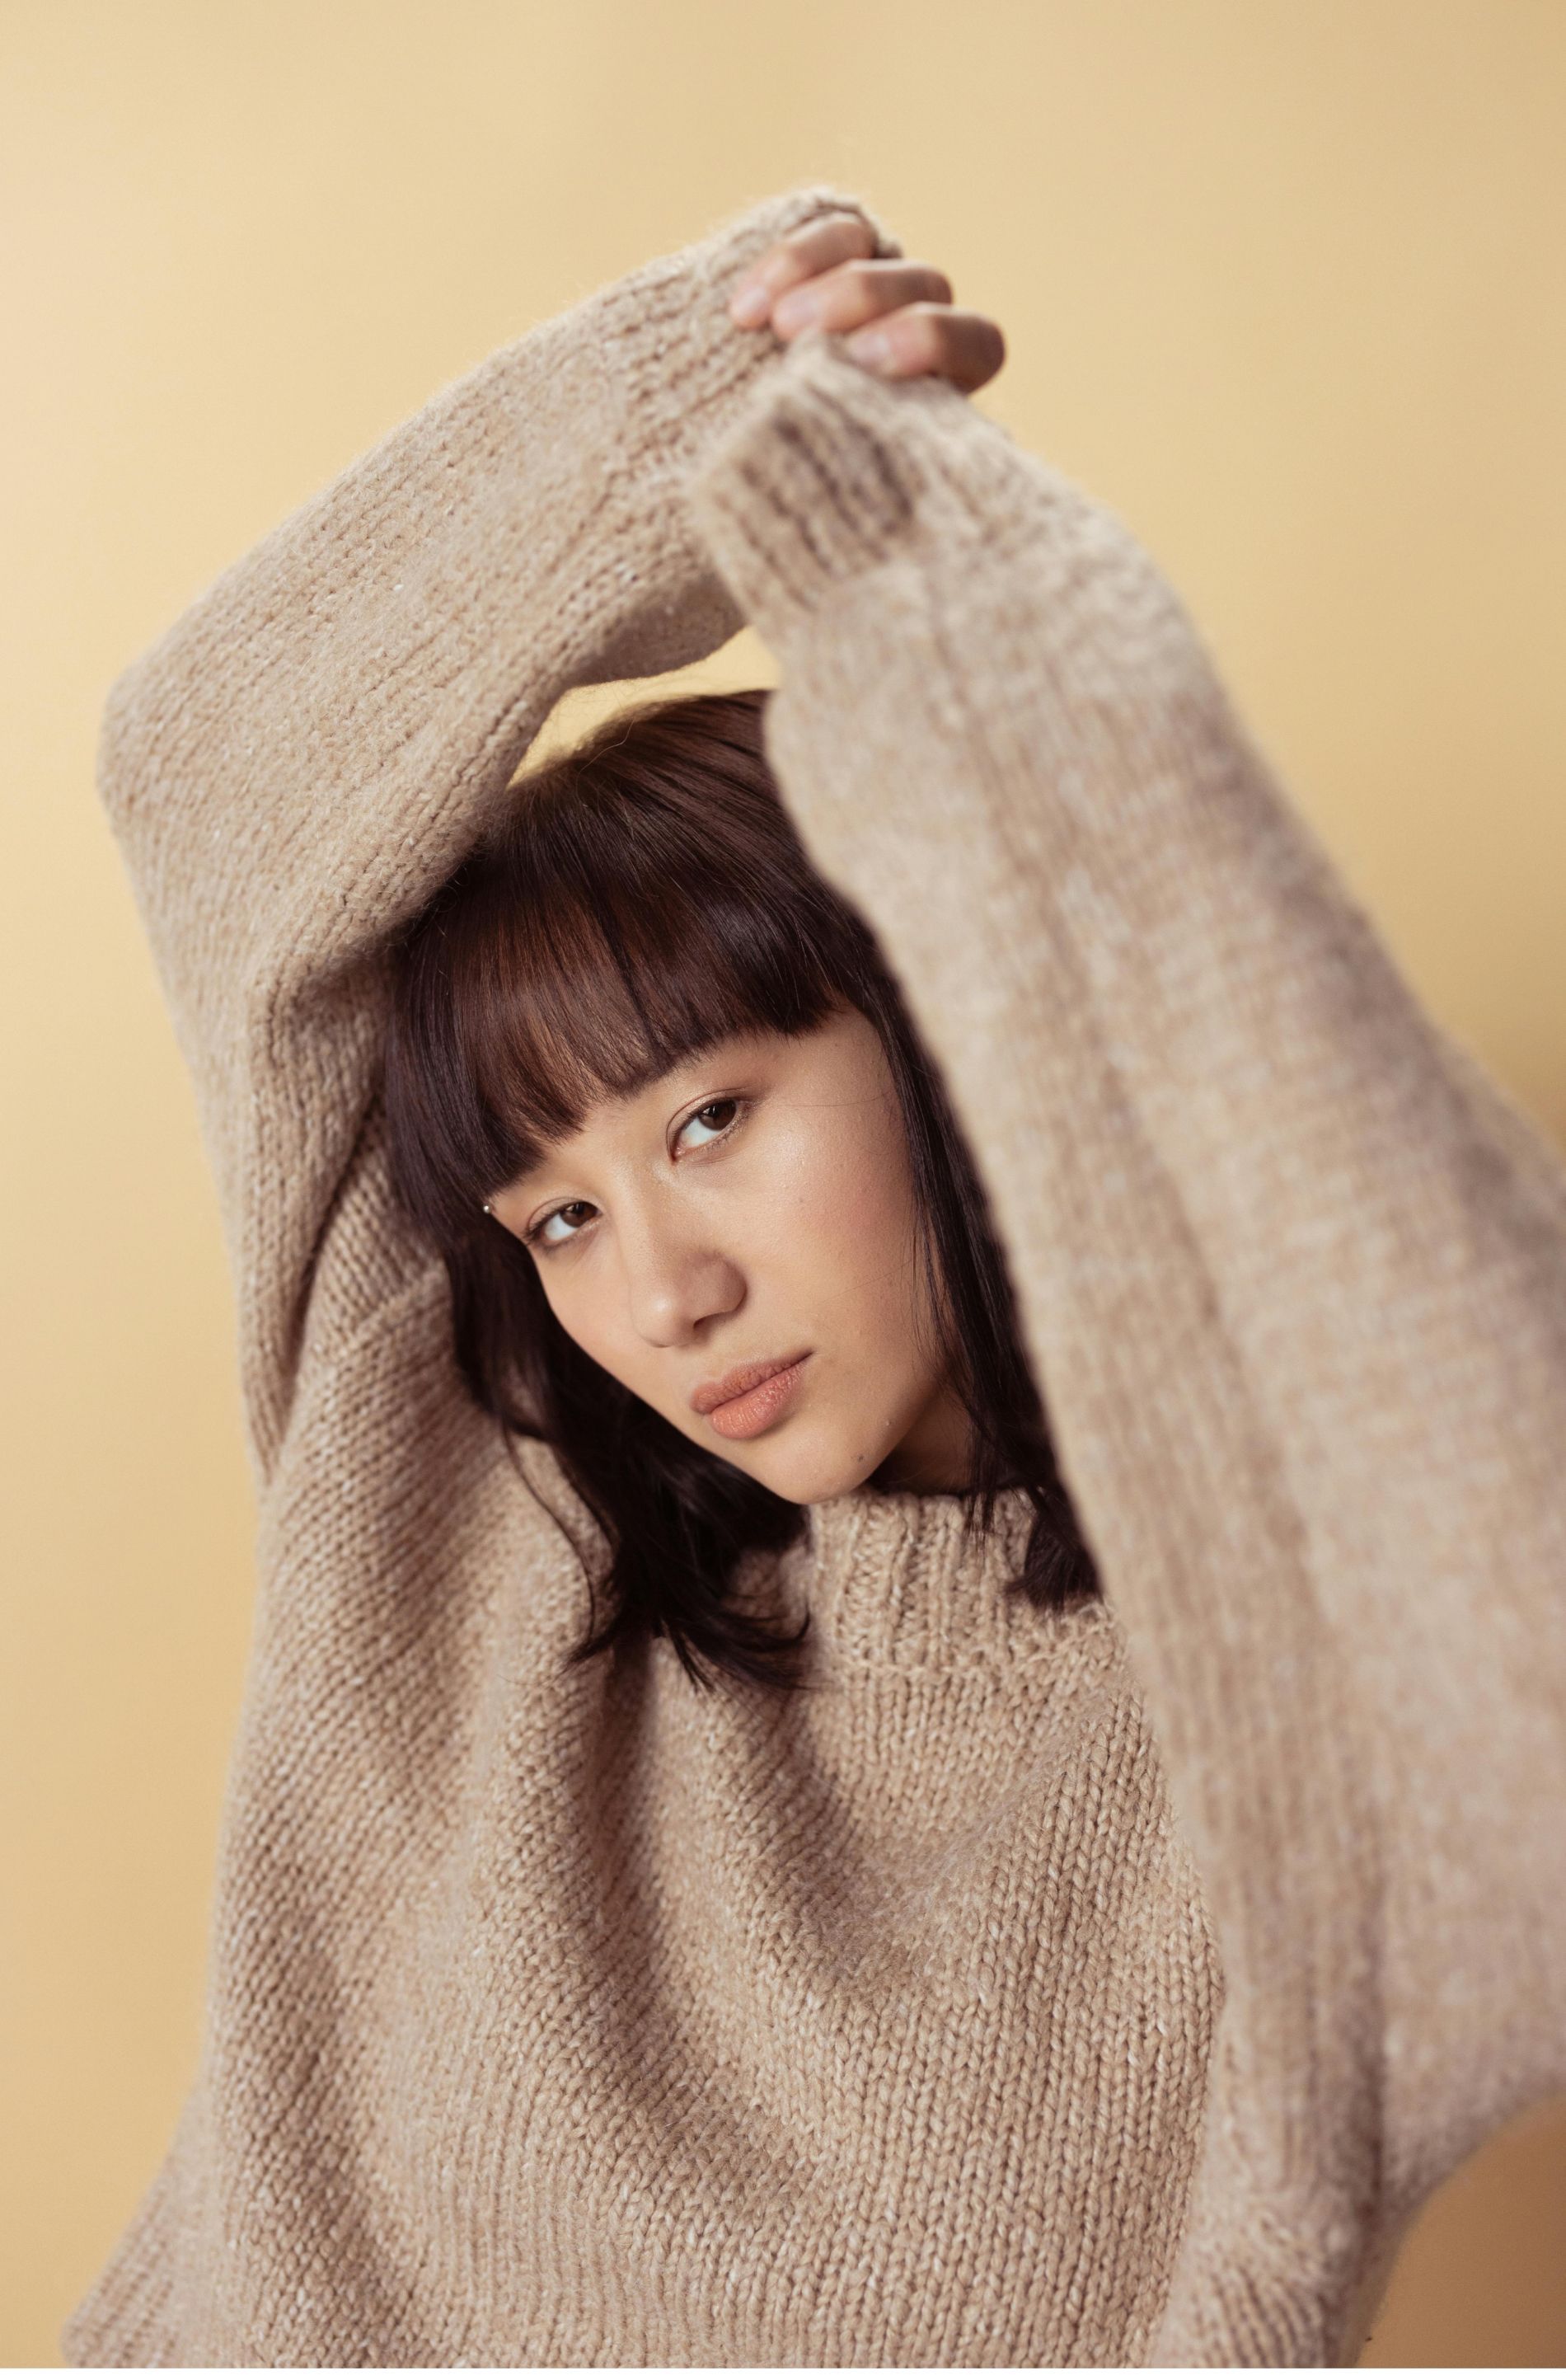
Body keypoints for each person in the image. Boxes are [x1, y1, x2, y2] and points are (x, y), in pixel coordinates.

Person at [62, 188, 1566, 2368]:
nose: (654, 1290)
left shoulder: (1295, 1728)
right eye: (556, 1211)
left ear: (946, 1015)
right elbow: (203, 776)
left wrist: (1008, 661)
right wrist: (697, 386)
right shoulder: (457, 1462)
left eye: (707, 1122)